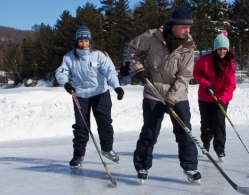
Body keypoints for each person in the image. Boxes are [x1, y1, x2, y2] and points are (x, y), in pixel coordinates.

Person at [127, 7, 201, 184]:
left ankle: (190, 167)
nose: (188, 31)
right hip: (153, 92)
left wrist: (172, 99)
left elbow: (184, 76)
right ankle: (142, 165)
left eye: (189, 27)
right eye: (185, 27)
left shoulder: (188, 46)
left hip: (178, 95)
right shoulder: (154, 36)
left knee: (185, 132)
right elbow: (132, 48)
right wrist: (138, 69)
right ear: (175, 25)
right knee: (150, 132)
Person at [55, 25, 124, 167]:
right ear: (77, 42)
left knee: (105, 123)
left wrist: (116, 86)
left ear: (90, 41)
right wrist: (66, 84)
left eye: (86, 41)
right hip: (80, 95)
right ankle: (78, 155)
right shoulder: (69, 57)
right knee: (81, 126)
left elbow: (110, 71)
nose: (84, 44)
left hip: (100, 93)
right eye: (81, 41)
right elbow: (60, 72)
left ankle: (107, 149)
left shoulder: (100, 54)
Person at [193, 30, 236, 162]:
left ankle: (220, 149)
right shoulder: (205, 61)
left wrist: (223, 99)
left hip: (221, 99)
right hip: (205, 97)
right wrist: (206, 85)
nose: (222, 52)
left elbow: (230, 86)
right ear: (215, 49)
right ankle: (206, 143)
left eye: (224, 49)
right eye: (219, 49)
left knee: (219, 123)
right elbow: (196, 73)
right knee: (206, 124)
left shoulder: (229, 66)